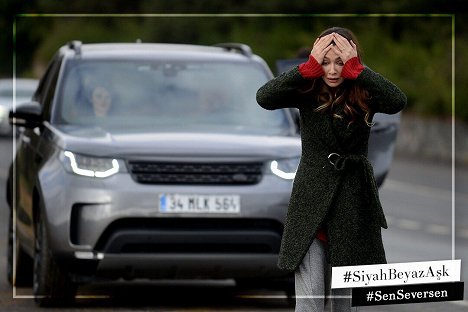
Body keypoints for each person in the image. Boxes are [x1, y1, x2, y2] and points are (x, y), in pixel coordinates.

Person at [256, 27, 407, 312]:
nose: (333, 70)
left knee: (342, 304)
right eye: (326, 62)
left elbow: (397, 100)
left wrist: (359, 71)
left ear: (351, 60)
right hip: (310, 207)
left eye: (340, 61)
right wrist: (307, 68)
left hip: (350, 208)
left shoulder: (364, 91)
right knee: (310, 303)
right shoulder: (307, 90)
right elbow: (265, 97)